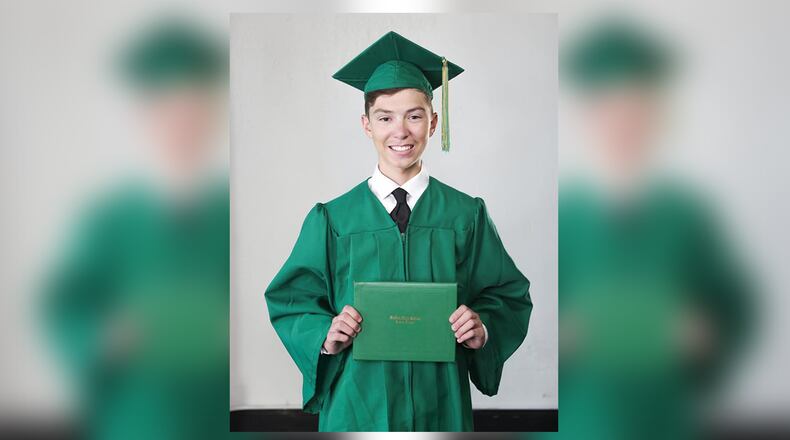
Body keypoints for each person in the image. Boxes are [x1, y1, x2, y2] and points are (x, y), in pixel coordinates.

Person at [264, 31, 533, 432]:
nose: (400, 131)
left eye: (414, 115)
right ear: (366, 125)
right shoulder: (333, 219)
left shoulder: (466, 214)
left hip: (439, 401)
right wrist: (325, 332)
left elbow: (507, 294)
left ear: (433, 121)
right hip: (357, 401)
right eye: (385, 117)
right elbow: (291, 300)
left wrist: (483, 327)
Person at [552, 18, 754, 440]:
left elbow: (735, 306)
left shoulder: (689, 216)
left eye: (637, 110)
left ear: (658, 116)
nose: (624, 124)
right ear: (589, 117)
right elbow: (521, 312)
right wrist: (559, 336)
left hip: (665, 415)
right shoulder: (563, 216)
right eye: (611, 110)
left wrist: (704, 333)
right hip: (581, 417)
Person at [40, 18, 234, 440]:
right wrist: (104, 336)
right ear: (146, 116)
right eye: (169, 110)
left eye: (195, 110)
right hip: (139, 415)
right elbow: (63, 305)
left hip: (222, 413)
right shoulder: (111, 217)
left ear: (213, 115)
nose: (182, 124)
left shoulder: (235, 209)